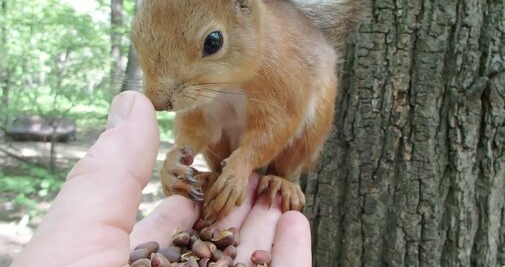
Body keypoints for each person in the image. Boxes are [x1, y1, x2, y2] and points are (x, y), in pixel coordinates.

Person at [10, 91, 311, 267]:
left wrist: (248, 164)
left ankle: (283, 177)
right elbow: (193, 131)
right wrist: (178, 160)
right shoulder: (202, 99)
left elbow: (282, 117)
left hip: (278, 145)